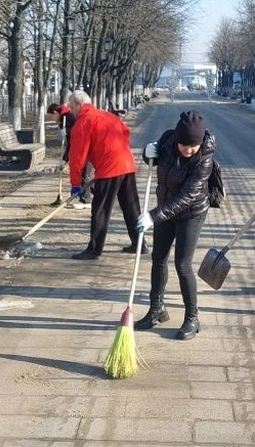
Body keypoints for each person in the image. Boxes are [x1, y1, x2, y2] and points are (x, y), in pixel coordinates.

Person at [134, 110, 216, 340]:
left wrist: (153, 215)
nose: (189, 150)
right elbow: (157, 159)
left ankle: (192, 317)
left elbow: (188, 196)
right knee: (158, 258)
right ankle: (156, 309)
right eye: (184, 145)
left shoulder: (205, 157)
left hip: (191, 212)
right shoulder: (168, 140)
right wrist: (147, 154)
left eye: (194, 146)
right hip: (166, 207)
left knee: (183, 264)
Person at [67, 90, 144, 260]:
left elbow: (77, 157)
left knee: (100, 210)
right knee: (131, 207)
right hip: (127, 164)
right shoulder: (108, 116)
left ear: (80, 105)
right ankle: (140, 243)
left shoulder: (83, 122)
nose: (70, 111)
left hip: (110, 168)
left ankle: (94, 250)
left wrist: (75, 184)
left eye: (72, 107)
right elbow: (126, 133)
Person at [47, 102, 92, 208]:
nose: (52, 119)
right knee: (85, 172)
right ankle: (90, 195)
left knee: (84, 172)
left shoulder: (67, 117)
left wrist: (67, 131)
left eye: (51, 116)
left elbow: (78, 131)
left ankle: (86, 200)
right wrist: (65, 159)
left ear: (55, 112)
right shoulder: (64, 118)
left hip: (84, 147)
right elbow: (70, 143)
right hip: (80, 147)